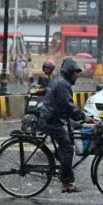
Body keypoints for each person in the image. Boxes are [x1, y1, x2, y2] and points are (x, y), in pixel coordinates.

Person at [39, 58, 94, 193]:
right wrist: (82, 117)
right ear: (69, 71)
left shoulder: (58, 78)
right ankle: (66, 183)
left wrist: (78, 119)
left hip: (54, 117)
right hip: (52, 120)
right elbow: (68, 105)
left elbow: (65, 106)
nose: (77, 75)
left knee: (71, 134)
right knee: (68, 148)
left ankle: (62, 160)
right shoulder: (63, 84)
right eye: (75, 72)